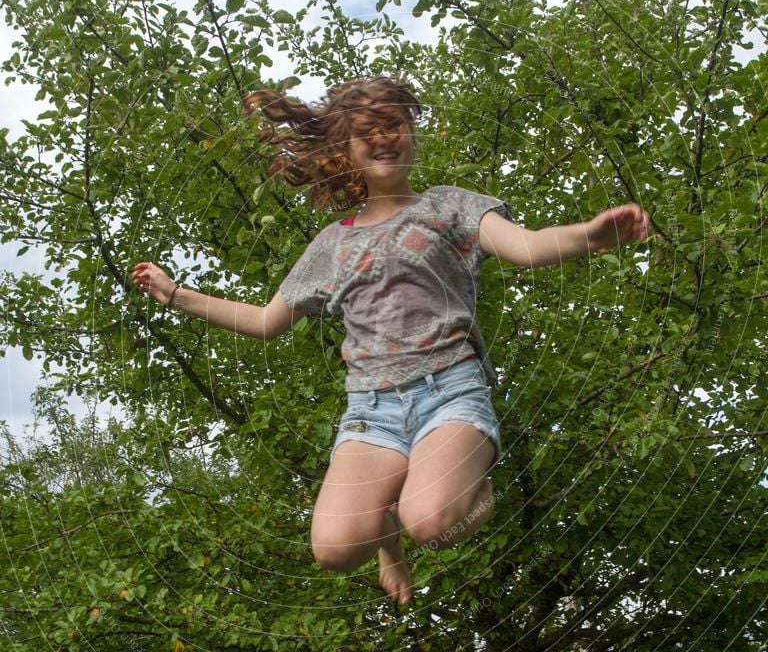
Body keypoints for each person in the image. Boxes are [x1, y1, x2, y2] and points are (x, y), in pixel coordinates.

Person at [132, 76, 650, 605]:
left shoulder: (451, 206)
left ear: (411, 133)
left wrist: (592, 234)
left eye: (394, 125)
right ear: (346, 149)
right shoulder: (331, 243)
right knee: (333, 551)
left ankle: (477, 495)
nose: (383, 138)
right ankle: (389, 542)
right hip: (370, 411)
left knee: (432, 524)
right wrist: (177, 296)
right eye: (366, 131)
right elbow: (268, 321)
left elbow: (528, 247)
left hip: (448, 389)